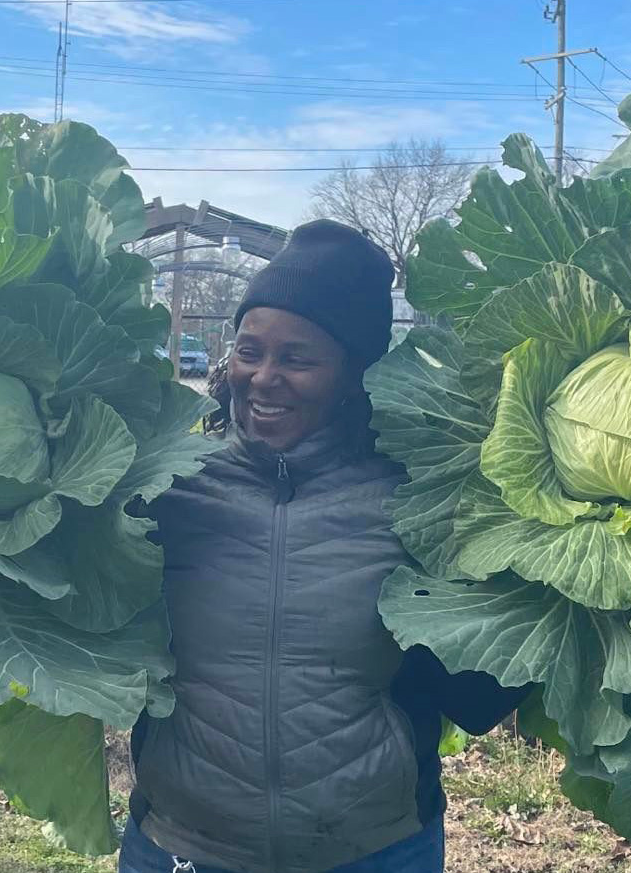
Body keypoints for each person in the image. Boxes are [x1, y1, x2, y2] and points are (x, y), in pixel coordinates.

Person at [121, 220, 530, 873]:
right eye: (250, 350)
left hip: (374, 852)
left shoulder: (414, 499)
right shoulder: (171, 485)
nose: (263, 377)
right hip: (184, 851)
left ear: (351, 373)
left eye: (297, 358)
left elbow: (480, 692)